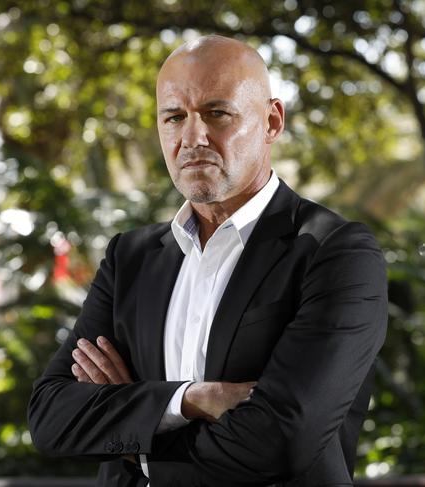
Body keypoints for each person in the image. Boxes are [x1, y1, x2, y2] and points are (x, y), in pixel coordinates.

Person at [28, 34, 388, 487]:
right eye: (174, 117)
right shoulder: (131, 259)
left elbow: (282, 440)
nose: (192, 137)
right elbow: (50, 418)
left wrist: (134, 434)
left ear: (272, 121)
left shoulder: (334, 252)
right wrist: (192, 400)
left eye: (217, 113)